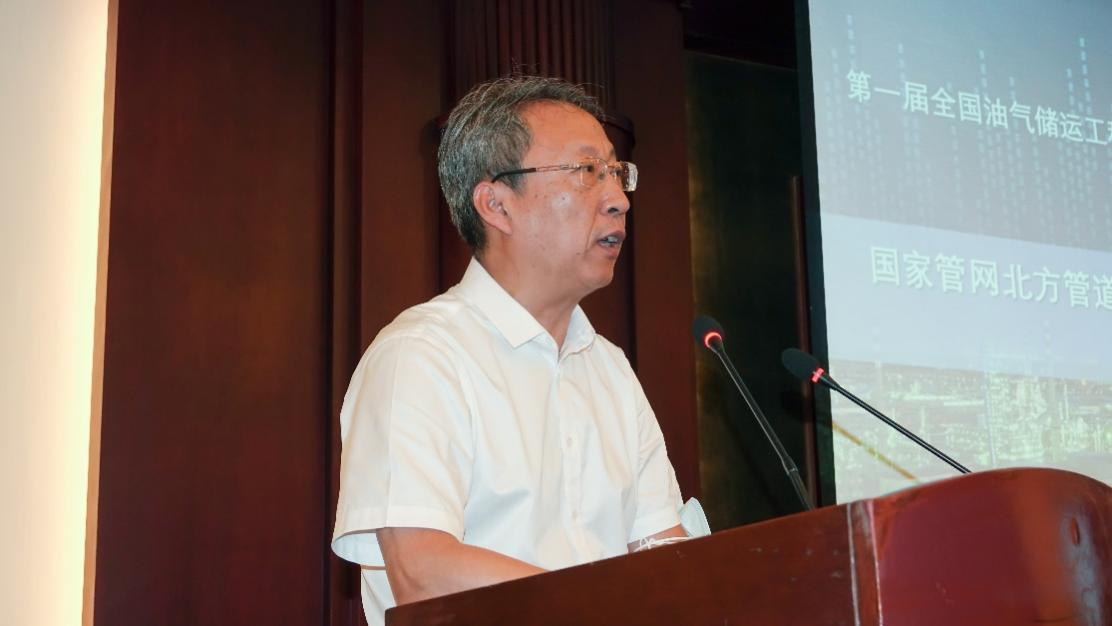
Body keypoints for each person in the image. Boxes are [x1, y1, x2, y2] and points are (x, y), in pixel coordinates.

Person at [331, 75, 687, 626]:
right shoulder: (420, 356)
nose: (618, 200)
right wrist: (603, 606)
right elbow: (423, 573)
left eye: (618, 174)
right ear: (496, 204)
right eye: (587, 171)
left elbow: (665, 553)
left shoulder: (610, 369)